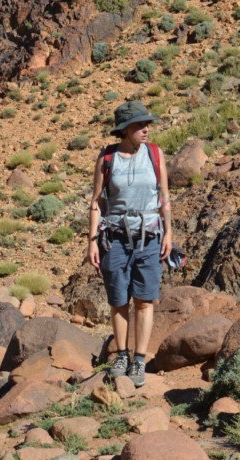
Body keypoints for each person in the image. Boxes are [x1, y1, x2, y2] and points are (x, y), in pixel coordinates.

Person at [87, 101, 172, 387]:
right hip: (115, 238)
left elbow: (164, 197)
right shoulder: (108, 158)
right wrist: (92, 241)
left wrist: (169, 233)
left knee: (145, 300)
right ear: (124, 130)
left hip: (149, 236)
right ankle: (121, 355)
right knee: (119, 300)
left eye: (147, 124)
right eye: (139, 125)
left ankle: (139, 359)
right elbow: (97, 202)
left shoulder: (155, 153)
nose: (146, 129)